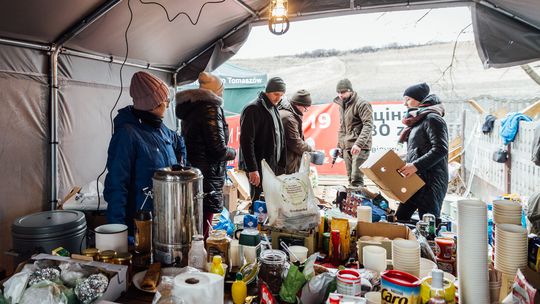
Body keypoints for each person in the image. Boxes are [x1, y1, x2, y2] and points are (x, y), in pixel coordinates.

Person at [104, 71, 186, 234]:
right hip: (140, 223)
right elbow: (116, 186)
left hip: (165, 216)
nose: (168, 105)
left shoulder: (160, 128)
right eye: (165, 101)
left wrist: (181, 165)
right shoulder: (127, 135)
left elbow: (179, 142)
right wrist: (118, 231)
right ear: (153, 104)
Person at [175, 72, 236, 238]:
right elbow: (217, 149)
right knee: (203, 226)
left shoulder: (192, 108)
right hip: (208, 174)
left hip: (195, 171)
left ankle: (194, 258)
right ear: (216, 91)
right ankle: (198, 260)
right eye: (221, 89)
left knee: (196, 222)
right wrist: (233, 152)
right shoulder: (210, 108)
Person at [396, 82, 448, 221]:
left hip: (431, 181)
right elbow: (419, 149)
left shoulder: (433, 119)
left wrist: (415, 165)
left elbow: (440, 149)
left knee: (428, 224)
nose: (405, 104)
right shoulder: (418, 120)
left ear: (419, 99)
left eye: (408, 99)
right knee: (400, 218)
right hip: (416, 179)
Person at [239, 77, 287, 202]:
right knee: (258, 203)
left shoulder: (274, 108)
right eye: (276, 94)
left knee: (270, 202)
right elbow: (246, 141)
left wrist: (281, 163)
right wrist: (253, 169)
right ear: (267, 91)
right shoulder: (253, 109)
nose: (278, 98)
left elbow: (279, 136)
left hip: (271, 165)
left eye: (281, 95)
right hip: (259, 167)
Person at [333, 78, 373, 187]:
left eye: (343, 92)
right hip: (347, 146)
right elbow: (342, 128)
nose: (340, 95)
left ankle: (361, 202)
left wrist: (359, 144)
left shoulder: (362, 104)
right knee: (350, 178)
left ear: (350, 90)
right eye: (338, 92)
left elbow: (368, 125)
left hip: (360, 146)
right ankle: (353, 202)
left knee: (356, 179)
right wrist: (339, 146)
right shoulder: (342, 106)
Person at [279, 89, 314, 174]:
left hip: (284, 159)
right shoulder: (288, 118)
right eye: (305, 108)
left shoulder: (288, 113)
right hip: (286, 161)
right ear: (299, 105)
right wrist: (311, 150)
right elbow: (295, 143)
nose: (305, 111)